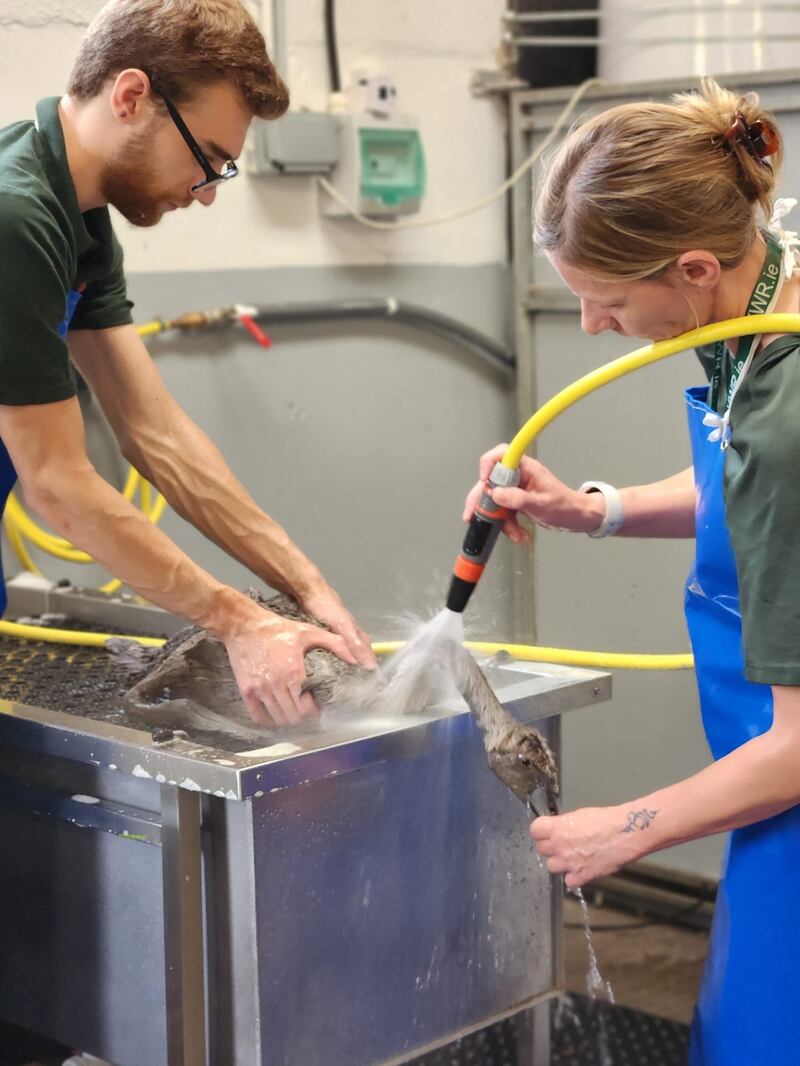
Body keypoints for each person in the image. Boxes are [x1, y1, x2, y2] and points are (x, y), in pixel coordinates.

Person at [465, 78, 800, 1063]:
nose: (590, 326)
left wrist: (627, 830)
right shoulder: (766, 312)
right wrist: (588, 509)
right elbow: (747, 499)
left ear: (692, 270)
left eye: (606, 300)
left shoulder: (787, 413)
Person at [0, 0, 377, 729]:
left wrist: (305, 586)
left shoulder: (77, 218)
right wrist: (240, 622)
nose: (206, 193)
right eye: (206, 157)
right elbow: (56, 484)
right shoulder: (14, 217)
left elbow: (155, 432)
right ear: (132, 95)